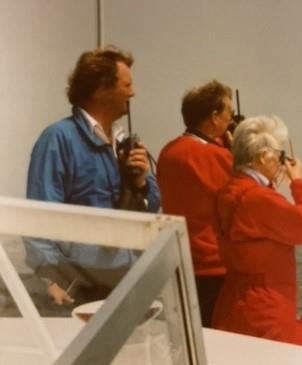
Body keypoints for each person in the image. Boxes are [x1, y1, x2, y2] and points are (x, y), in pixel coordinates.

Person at [25, 46, 160, 307]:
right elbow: (38, 215)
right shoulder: (58, 139)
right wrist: (50, 278)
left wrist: (142, 181)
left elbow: (151, 210)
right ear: (100, 89)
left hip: (126, 280)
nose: (133, 93)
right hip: (80, 288)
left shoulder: (124, 141)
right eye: (127, 85)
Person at [211, 115, 302, 344]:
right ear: (264, 157)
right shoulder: (256, 199)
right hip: (263, 318)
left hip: (234, 307)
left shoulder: (230, 192)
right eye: (280, 156)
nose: (282, 162)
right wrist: (298, 183)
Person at [156, 80, 233, 326]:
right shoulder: (219, 156)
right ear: (214, 118)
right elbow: (246, 196)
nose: (231, 120)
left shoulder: (168, 151)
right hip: (214, 269)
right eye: (228, 114)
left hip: (179, 263)